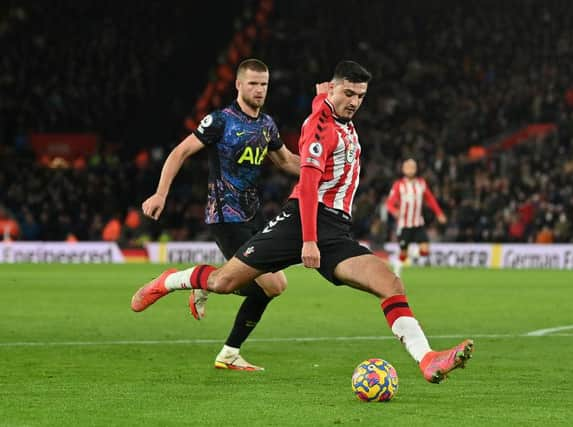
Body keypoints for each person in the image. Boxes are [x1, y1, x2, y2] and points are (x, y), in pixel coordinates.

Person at [132, 60, 474, 384]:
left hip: (336, 229)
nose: (355, 102)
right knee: (223, 282)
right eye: (349, 94)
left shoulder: (322, 115)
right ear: (335, 91)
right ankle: (171, 281)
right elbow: (308, 183)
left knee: (390, 284)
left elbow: (294, 151)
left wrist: (321, 98)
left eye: (360, 96)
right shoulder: (314, 127)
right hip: (299, 222)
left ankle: (428, 360)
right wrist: (308, 240)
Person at [140, 58, 300, 371]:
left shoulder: (266, 124)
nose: (259, 90)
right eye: (252, 83)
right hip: (225, 216)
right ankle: (186, 279)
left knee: (275, 286)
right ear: (238, 84)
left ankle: (228, 352)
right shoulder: (220, 121)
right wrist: (161, 193)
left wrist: (320, 169)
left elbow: (286, 162)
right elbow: (180, 152)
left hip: (253, 216)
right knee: (268, 284)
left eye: (264, 84)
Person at [386, 158, 447, 276]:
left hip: (418, 223)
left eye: (412, 167)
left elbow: (430, 199)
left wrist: (439, 213)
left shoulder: (421, 183)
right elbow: (389, 203)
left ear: (416, 169)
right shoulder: (399, 185)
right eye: (407, 167)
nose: (410, 169)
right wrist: (394, 211)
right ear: (403, 169)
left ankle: (407, 255)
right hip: (404, 225)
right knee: (403, 255)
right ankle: (397, 273)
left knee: (425, 251)